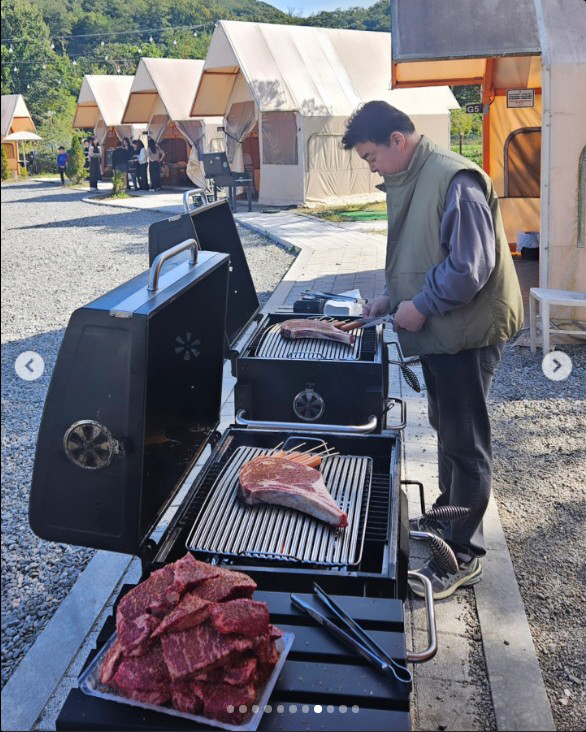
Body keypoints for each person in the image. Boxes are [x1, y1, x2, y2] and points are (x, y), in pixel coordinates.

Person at [341, 101, 523, 599]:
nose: (371, 166)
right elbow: (424, 255)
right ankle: (448, 515)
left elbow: (469, 268)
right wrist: (391, 300)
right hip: (446, 332)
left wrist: (419, 306)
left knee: (465, 440)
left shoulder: (453, 179)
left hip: (467, 332)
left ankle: (464, 554)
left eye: (371, 155)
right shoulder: (413, 177)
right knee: (447, 426)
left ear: (397, 140)